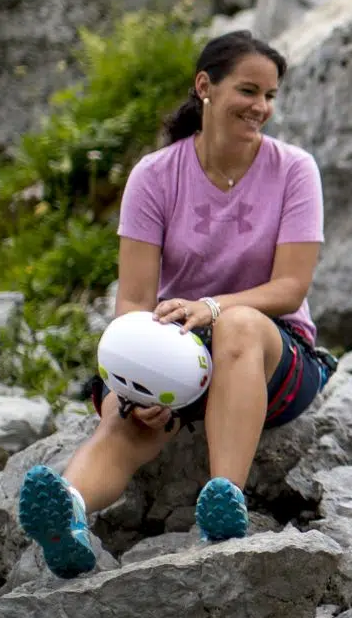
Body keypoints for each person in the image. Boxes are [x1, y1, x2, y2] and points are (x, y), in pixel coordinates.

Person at [17, 30, 333, 578]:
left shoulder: (294, 170)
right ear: (204, 86)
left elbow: (290, 289)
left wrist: (211, 306)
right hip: (178, 346)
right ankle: (68, 512)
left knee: (236, 325)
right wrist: (135, 382)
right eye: (249, 90)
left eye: (271, 95)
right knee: (125, 418)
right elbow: (135, 300)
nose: (262, 107)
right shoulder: (155, 175)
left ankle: (223, 504)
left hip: (275, 355)